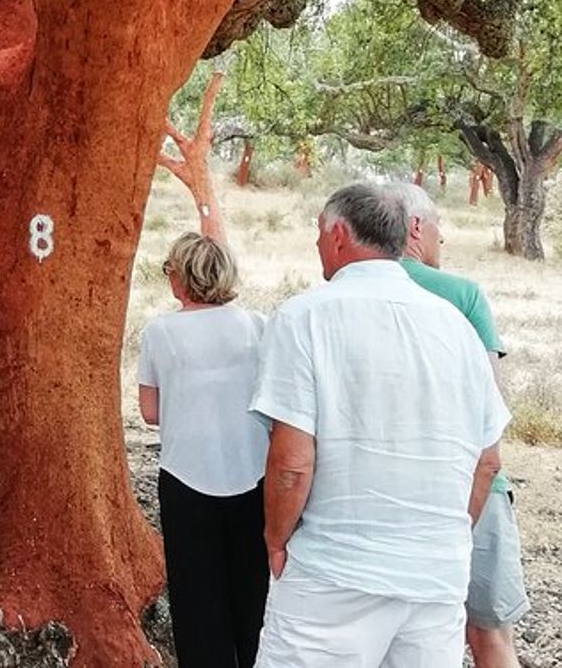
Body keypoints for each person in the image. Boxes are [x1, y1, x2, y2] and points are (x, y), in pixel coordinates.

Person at [251, 182, 510, 667]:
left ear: (338, 234)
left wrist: (275, 538)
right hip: (435, 576)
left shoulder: (303, 317)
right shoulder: (455, 327)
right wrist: (445, 537)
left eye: (317, 233)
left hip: (335, 571)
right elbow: (488, 460)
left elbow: (291, 462)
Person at [392, 182, 529, 667]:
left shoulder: (344, 291)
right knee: (489, 636)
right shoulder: (463, 294)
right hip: (471, 483)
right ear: (414, 227)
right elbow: (492, 401)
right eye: (438, 226)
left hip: (390, 494)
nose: (442, 239)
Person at [138, 232, 269, 667]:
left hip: (185, 478)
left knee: (197, 601)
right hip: (252, 475)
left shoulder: (159, 332)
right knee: (253, 594)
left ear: (180, 279)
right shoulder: (257, 325)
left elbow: (150, 411)